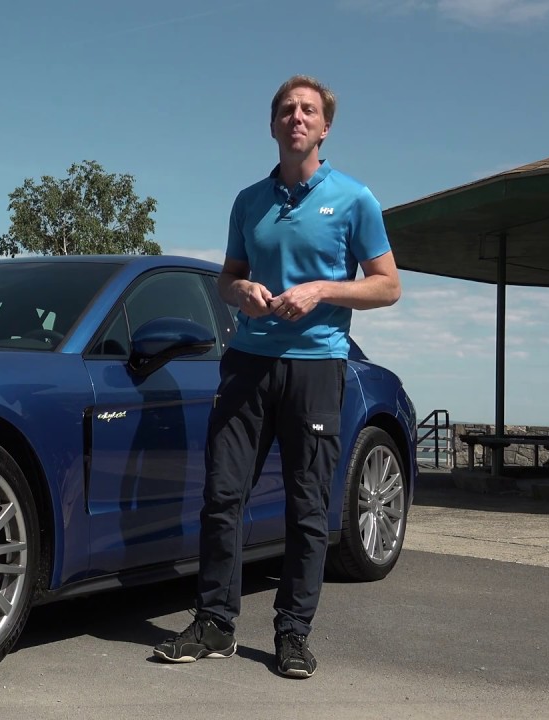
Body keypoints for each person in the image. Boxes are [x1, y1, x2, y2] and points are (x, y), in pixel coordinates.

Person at [152, 75, 401, 678]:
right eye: (287, 110)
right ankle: (215, 625)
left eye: (308, 110)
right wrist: (244, 292)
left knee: (308, 506)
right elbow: (227, 277)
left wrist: (321, 290)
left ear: (324, 127)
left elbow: (388, 285)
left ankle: (293, 633)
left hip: (317, 365)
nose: (297, 117)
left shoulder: (354, 199)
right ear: (273, 125)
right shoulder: (248, 202)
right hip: (246, 364)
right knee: (222, 497)